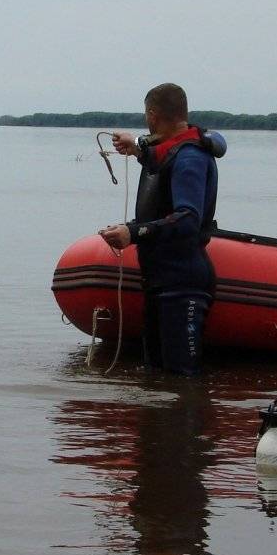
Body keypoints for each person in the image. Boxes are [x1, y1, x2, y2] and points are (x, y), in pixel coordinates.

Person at [99, 83, 225, 376]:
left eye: (146, 115)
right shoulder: (174, 151)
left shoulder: (191, 158)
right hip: (160, 281)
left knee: (181, 379)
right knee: (156, 377)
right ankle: (163, 423)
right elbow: (161, 162)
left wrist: (133, 233)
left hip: (183, 284)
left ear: (153, 115)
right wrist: (136, 150)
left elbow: (187, 219)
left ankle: (188, 421)